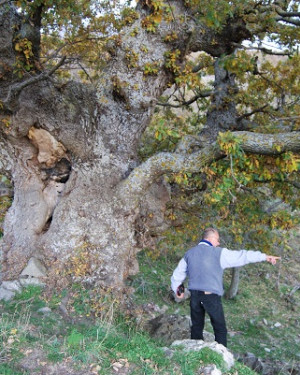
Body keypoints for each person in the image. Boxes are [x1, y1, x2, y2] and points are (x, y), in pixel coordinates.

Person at [171, 227, 280, 347]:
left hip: (195, 296)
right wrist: (264, 257)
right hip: (210, 296)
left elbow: (177, 274)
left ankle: (194, 352)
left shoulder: (189, 253)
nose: (218, 243)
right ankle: (221, 355)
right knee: (220, 328)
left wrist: (177, 288)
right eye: (217, 240)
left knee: (196, 326)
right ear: (211, 238)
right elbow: (243, 256)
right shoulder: (219, 253)